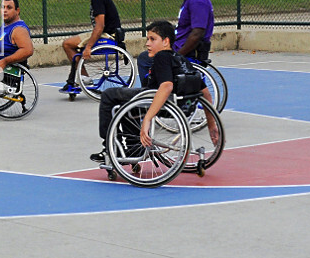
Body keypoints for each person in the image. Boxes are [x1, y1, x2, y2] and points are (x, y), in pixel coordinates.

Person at [90, 20, 218, 162]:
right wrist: (211, 124)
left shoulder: (162, 57)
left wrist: (148, 118)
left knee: (109, 95)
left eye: (152, 39)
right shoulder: (181, 59)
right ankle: (133, 149)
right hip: (184, 106)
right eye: (147, 39)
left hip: (159, 101)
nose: (147, 44)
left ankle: (109, 147)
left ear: (166, 41)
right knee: (125, 106)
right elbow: (205, 93)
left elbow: (166, 86)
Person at [137, 0, 214, 82]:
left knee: (145, 58)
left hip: (186, 52)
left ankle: (151, 93)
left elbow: (197, 33)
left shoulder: (198, 1)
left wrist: (177, 56)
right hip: (176, 46)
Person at [60, 0, 122, 93]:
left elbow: (100, 26)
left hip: (108, 35)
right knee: (70, 44)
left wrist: (88, 47)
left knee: (67, 44)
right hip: (107, 32)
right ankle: (84, 76)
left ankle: (85, 78)